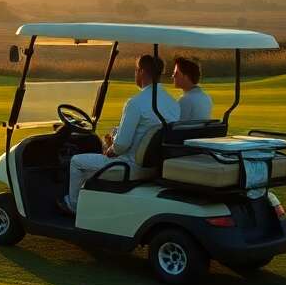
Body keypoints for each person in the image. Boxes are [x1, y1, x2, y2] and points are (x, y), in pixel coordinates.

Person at [59, 54, 180, 215]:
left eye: (136, 70)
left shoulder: (135, 102)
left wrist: (110, 149)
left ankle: (73, 205)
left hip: (129, 166)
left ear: (142, 72)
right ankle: (93, 202)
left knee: (76, 162)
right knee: (91, 165)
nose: (136, 74)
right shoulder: (173, 103)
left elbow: (121, 145)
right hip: (153, 167)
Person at [173, 57, 213, 121]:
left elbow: (177, 126)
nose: (173, 76)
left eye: (176, 73)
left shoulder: (185, 100)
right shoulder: (206, 97)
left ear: (186, 77)